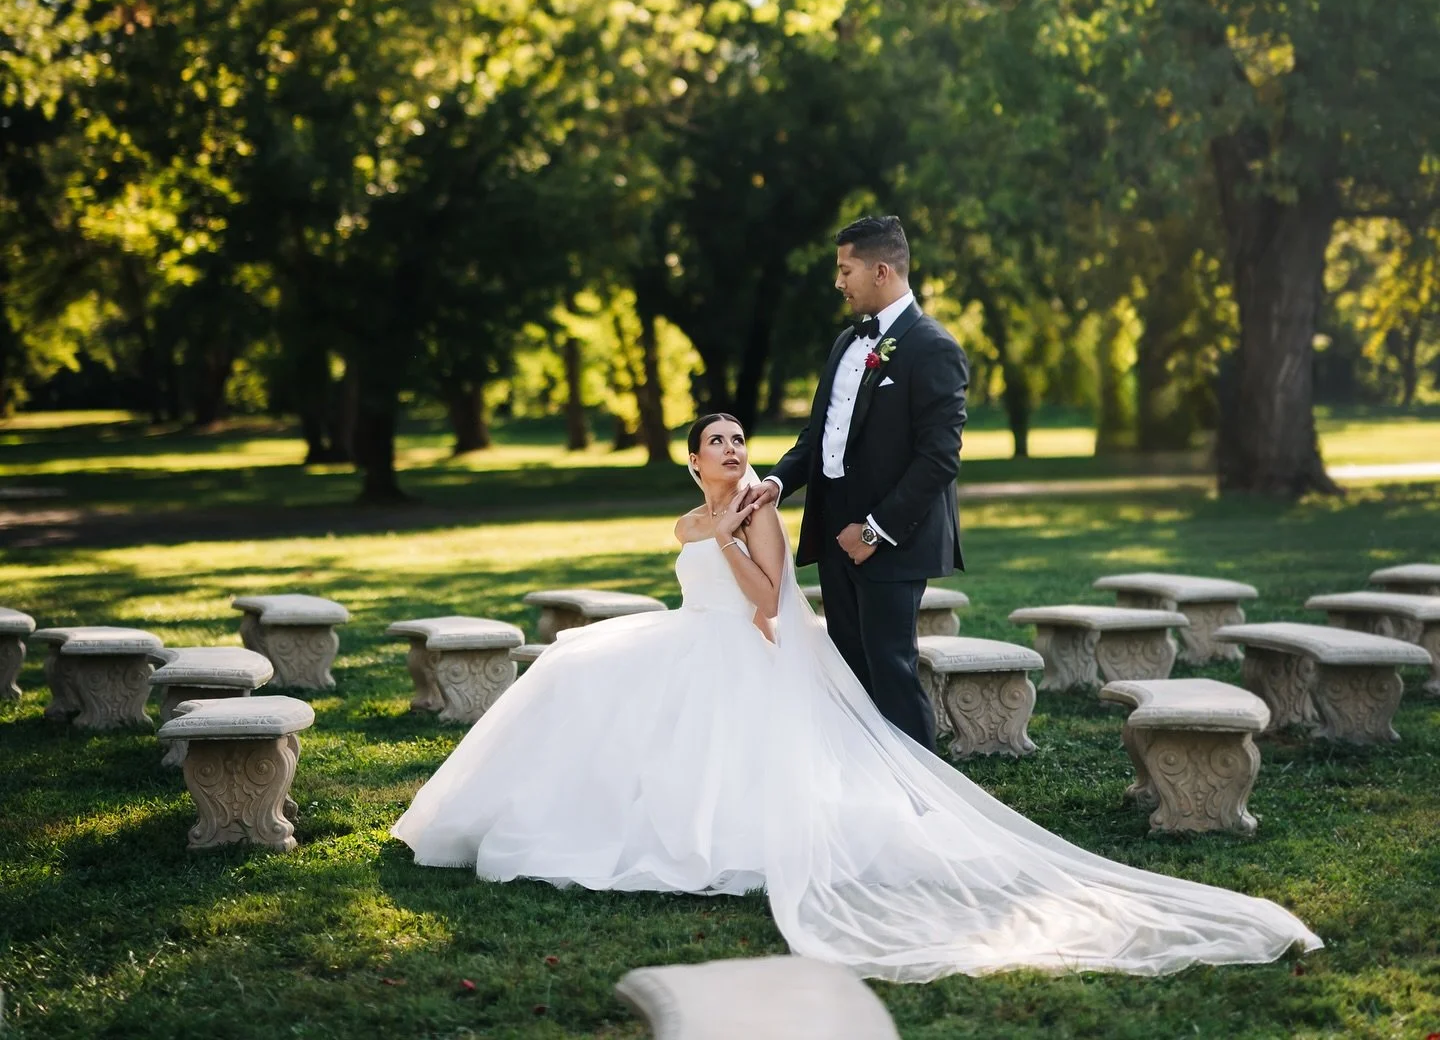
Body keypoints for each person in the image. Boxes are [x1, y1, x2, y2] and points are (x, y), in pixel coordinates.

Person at [392, 413, 1319, 980]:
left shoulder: (759, 508)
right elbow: (681, 532)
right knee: (571, 670)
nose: (731, 450)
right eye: (715, 443)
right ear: (691, 459)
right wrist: (703, 524)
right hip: (681, 639)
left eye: (738, 441)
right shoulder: (697, 507)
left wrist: (729, 531)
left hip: (742, 649)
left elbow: (765, 605)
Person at [739, 213, 966, 748]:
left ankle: (921, 794)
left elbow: (939, 458)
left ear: (881, 270)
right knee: (848, 667)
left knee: (890, 667)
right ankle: (867, 785)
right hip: (833, 526)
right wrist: (776, 482)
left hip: (893, 536)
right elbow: (820, 432)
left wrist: (873, 532)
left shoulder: (933, 347)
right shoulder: (846, 342)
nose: (839, 282)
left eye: (846, 270)